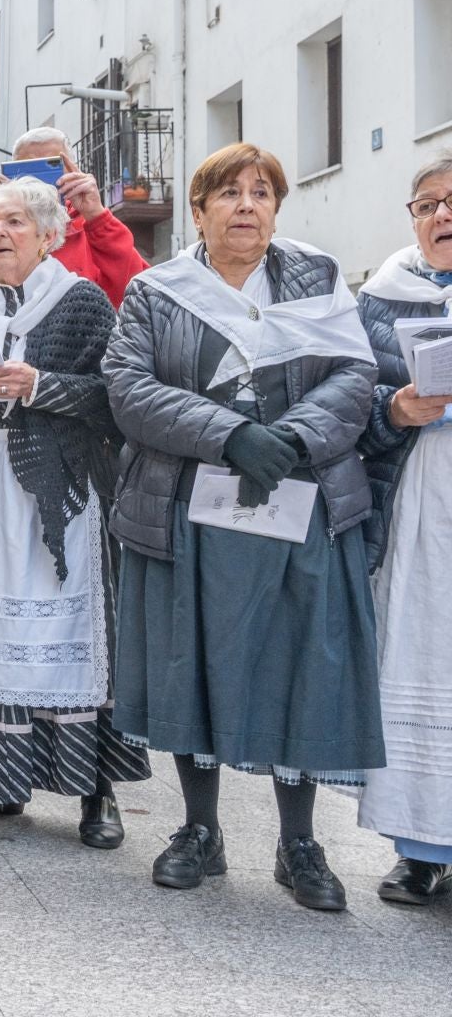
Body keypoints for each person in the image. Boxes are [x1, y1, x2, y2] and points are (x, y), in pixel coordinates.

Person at [106, 143, 382, 912]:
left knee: (299, 668)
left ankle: (299, 845)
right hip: (191, 509)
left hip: (301, 507)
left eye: (262, 192)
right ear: (199, 211)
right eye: (229, 193)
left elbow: (355, 374)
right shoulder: (157, 291)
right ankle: (200, 829)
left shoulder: (316, 278)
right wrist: (229, 435)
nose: (247, 205)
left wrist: (291, 437)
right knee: (195, 666)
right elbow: (127, 388)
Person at [0, 179, 148, 846]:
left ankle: (96, 795)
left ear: (48, 235)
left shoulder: (81, 303)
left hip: (61, 494)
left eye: (14, 223)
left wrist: (41, 387)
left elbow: (115, 396)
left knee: (69, 640)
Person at [354, 153, 452, 905]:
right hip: (421, 502)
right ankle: (420, 849)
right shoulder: (381, 302)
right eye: (426, 205)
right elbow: (349, 402)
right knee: (423, 656)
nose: (441, 215)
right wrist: (394, 410)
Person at [0, 127, 147, 310]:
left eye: (50, 167)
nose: (37, 185)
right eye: (26, 172)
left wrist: (96, 215)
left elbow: (138, 294)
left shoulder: (90, 230)